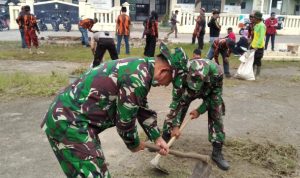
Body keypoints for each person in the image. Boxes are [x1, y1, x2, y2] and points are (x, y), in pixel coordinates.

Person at [41, 42, 190, 177]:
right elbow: (125, 123)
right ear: (164, 71)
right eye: (170, 81)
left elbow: (141, 109)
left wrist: (157, 138)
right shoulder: (137, 79)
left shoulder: (142, 68)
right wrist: (134, 144)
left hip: (74, 121)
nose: (165, 85)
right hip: (69, 123)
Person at [162, 51, 230, 171]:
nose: (195, 87)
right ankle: (164, 139)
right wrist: (176, 125)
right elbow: (177, 102)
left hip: (209, 92)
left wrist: (200, 110)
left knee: (216, 112)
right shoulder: (181, 74)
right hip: (187, 92)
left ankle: (217, 151)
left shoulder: (217, 72)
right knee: (175, 110)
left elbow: (215, 98)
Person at [251, 11, 266, 78]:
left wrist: (257, 46)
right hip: (253, 45)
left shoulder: (262, 26)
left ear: (258, 18)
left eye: (254, 17)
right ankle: (252, 73)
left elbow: (261, 37)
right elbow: (255, 36)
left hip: (259, 46)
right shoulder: (256, 25)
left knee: (257, 60)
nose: (253, 18)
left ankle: (258, 74)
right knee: (252, 60)